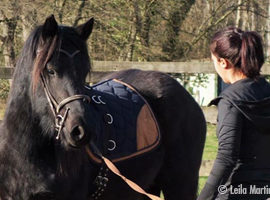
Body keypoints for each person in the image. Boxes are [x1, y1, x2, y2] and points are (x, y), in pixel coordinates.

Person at [198, 27, 270, 200]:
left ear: (223, 62)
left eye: (214, 61)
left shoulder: (231, 101)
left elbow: (226, 157)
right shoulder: (267, 91)